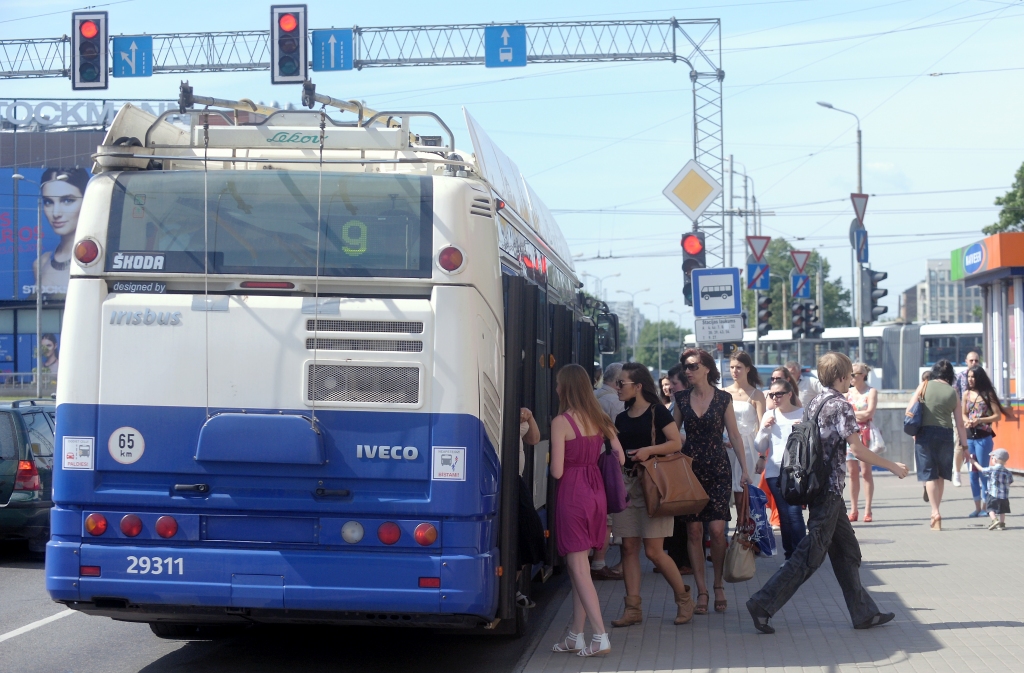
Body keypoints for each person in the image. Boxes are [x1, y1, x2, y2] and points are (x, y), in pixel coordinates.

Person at [746, 352, 909, 635]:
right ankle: (763, 602)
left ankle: (864, 613)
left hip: (817, 486)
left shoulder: (815, 403)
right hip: (829, 490)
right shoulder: (839, 405)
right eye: (848, 376)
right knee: (811, 555)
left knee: (846, 551)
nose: (849, 381)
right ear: (842, 376)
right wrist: (892, 465)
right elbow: (856, 450)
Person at [610, 362, 693, 628]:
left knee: (654, 551)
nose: (618, 388)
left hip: (654, 485)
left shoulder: (657, 411)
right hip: (628, 484)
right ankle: (632, 608)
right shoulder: (621, 417)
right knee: (629, 547)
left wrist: (648, 451)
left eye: (622, 383)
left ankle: (683, 598)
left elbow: (676, 442)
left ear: (638, 386)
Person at [550, 364, 625, 657]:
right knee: (579, 568)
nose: (556, 389)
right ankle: (575, 636)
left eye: (558, 384)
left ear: (566, 387)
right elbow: (619, 457)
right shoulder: (600, 417)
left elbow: (557, 471)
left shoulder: (561, 422)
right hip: (596, 493)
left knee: (578, 568)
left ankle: (600, 636)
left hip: (573, 492)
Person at [673, 349, 750, 615]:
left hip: (718, 468)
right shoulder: (680, 398)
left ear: (707, 368)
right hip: (691, 470)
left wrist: (745, 470)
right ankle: (701, 590)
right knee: (694, 532)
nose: (688, 371)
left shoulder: (723, 398)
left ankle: (718, 584)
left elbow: (735, 436)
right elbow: (672, 434)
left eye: (693, 366)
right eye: (685, 367)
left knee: (717, 531)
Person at [908, 360, 968, 531]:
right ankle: (938, 510)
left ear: (934, 372)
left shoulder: (924, 386)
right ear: (951, 376)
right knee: (941, 474)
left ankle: (934, 512)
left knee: (929, 474)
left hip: (924, 433)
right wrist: (965, 447)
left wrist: (914, 431)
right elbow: (960, 424)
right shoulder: (953, 392)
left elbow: (910, 408)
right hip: (946, 434)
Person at [754, 377, 807, 559]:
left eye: (779, 394)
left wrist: (803, 429)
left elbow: (814, 443)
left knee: (794, 512)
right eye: (772, 394)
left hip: (797, 471)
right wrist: (765, 430)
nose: (775, 398)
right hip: (774, 471)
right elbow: (759, 447)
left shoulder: (802, 413)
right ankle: (789, 555)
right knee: (784, 515)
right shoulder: (770, 415)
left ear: (789, 394)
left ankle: (801, 556)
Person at [590, 362, 625, 581]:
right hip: (609, 460)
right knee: (608, 515)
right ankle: (599, 562)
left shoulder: (594, 396)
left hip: (592, 459)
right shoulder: (616, 402)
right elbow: (621, 436)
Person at [962, 365, 1010, 518]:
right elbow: (963, 413)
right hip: (970, 437)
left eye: (973, 377)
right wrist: (967, 421)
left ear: (979, 378)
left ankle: (985, 507)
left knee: (984, 473)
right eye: (969, 376)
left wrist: (980, 420)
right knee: (972, 474)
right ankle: (976, 507)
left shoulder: (988, 394)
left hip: (984, 436)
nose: (970, 379)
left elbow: (997, 416)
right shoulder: (966, 394)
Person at [36, 167, 89, 297]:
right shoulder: (40, 263)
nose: (56, 213)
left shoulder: (95, 259)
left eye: (67, 200)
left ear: (87, 201)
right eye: (48, 202)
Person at [662, 363, 692, 575]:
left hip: (685, 464)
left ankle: (684, 562)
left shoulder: (686, 404)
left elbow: (687, 435)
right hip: (676, 463)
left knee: (684, 517)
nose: (670, 387)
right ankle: (676, 559)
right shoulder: (675, 403)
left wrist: (673, 439)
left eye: (674, 383)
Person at [725, 352, 766, 502]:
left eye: (739, 367)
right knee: (728, 488)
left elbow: (763, 428)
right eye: (732, 367)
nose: (734, 371)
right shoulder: (723, 392)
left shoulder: (756, 394)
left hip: (749, 445)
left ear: (748, 369)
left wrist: (763, 456)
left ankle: (748, 524)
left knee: (747, 491)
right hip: (727, 444)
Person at [845, 362, 881, 523]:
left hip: (865, 435)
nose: (851, 377)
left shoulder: (871, 391)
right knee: (852, 473)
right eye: (850, 374)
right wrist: (859, 414)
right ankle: (853, 509)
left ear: (863, 375)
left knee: (866, 472)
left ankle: (868, 509)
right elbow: (845, 414)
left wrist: (854, 414)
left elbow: (869, 413)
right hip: (850, 435)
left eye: (854, 374)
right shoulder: (847, 392)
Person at [516, 408, 543, 608]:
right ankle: (513, 590)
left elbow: (533, 439)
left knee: (529, 532)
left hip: (517, 480)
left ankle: (513, 587)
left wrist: (531, 416)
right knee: (527, 531)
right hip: (506, 479)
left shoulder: (520, 410)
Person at [970, 448, 1013, 530]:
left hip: (993, 494)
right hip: (1004, 496)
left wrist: (974, 462)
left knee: (990, 509)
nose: (991, 459)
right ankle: (1002, 524)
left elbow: (982, 470)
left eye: (992, 458)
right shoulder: (1008, 472)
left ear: (995, 459)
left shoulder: (992, 469)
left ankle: (994, 520)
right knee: (1002, 510)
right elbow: (1010, 481)